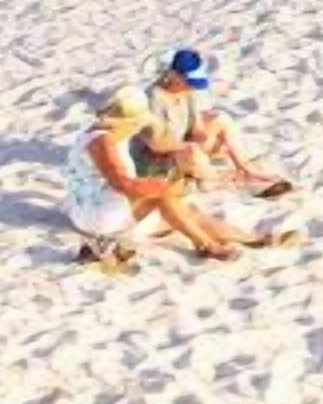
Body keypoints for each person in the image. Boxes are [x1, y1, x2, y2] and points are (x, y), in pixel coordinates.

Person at [69, 86, 287, 268]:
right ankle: (207, 246)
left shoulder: (102, 134)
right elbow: (123, 184)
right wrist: (164, 187)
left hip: (96, 207)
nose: (137, 128)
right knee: (165, 199)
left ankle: (250, 239)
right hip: (97, 216)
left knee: (185, 212)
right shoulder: (103, 144)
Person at [143, 48, 294, 200]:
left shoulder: (188, 91)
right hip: (161, 159)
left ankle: (246, 169)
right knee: (192, 153)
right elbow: (155, 144)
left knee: (221, 119)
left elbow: (196, 127)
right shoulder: (154, 98)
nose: (192, 87)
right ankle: (220, 182)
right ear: (176, 76)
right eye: (190, 82)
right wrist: (188, 147)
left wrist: (203, 136)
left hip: (184, 144)